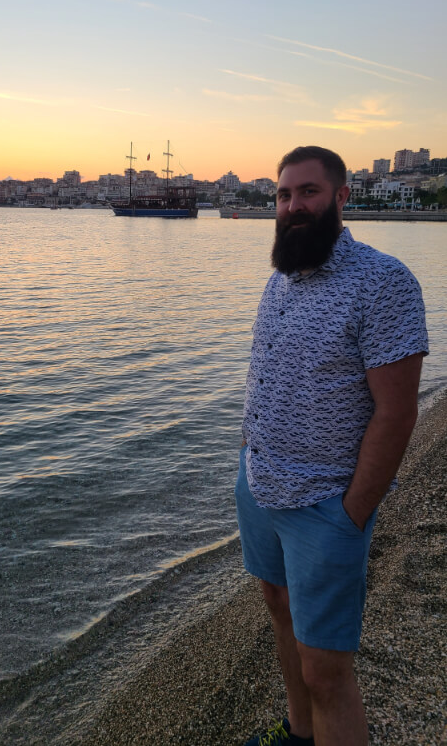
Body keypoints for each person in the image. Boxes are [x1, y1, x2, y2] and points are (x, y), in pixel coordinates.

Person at [235, 146, 428, 746]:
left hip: (325, 502)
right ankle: (298, 735)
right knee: (280, 613)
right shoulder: (281, 280)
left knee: (327, 671)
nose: (293, 206)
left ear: (342, 198)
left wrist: (352, 513)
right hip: (260, 486)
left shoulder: (383, 282)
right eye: (284, 195)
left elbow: (397, 413)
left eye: (308, 192)